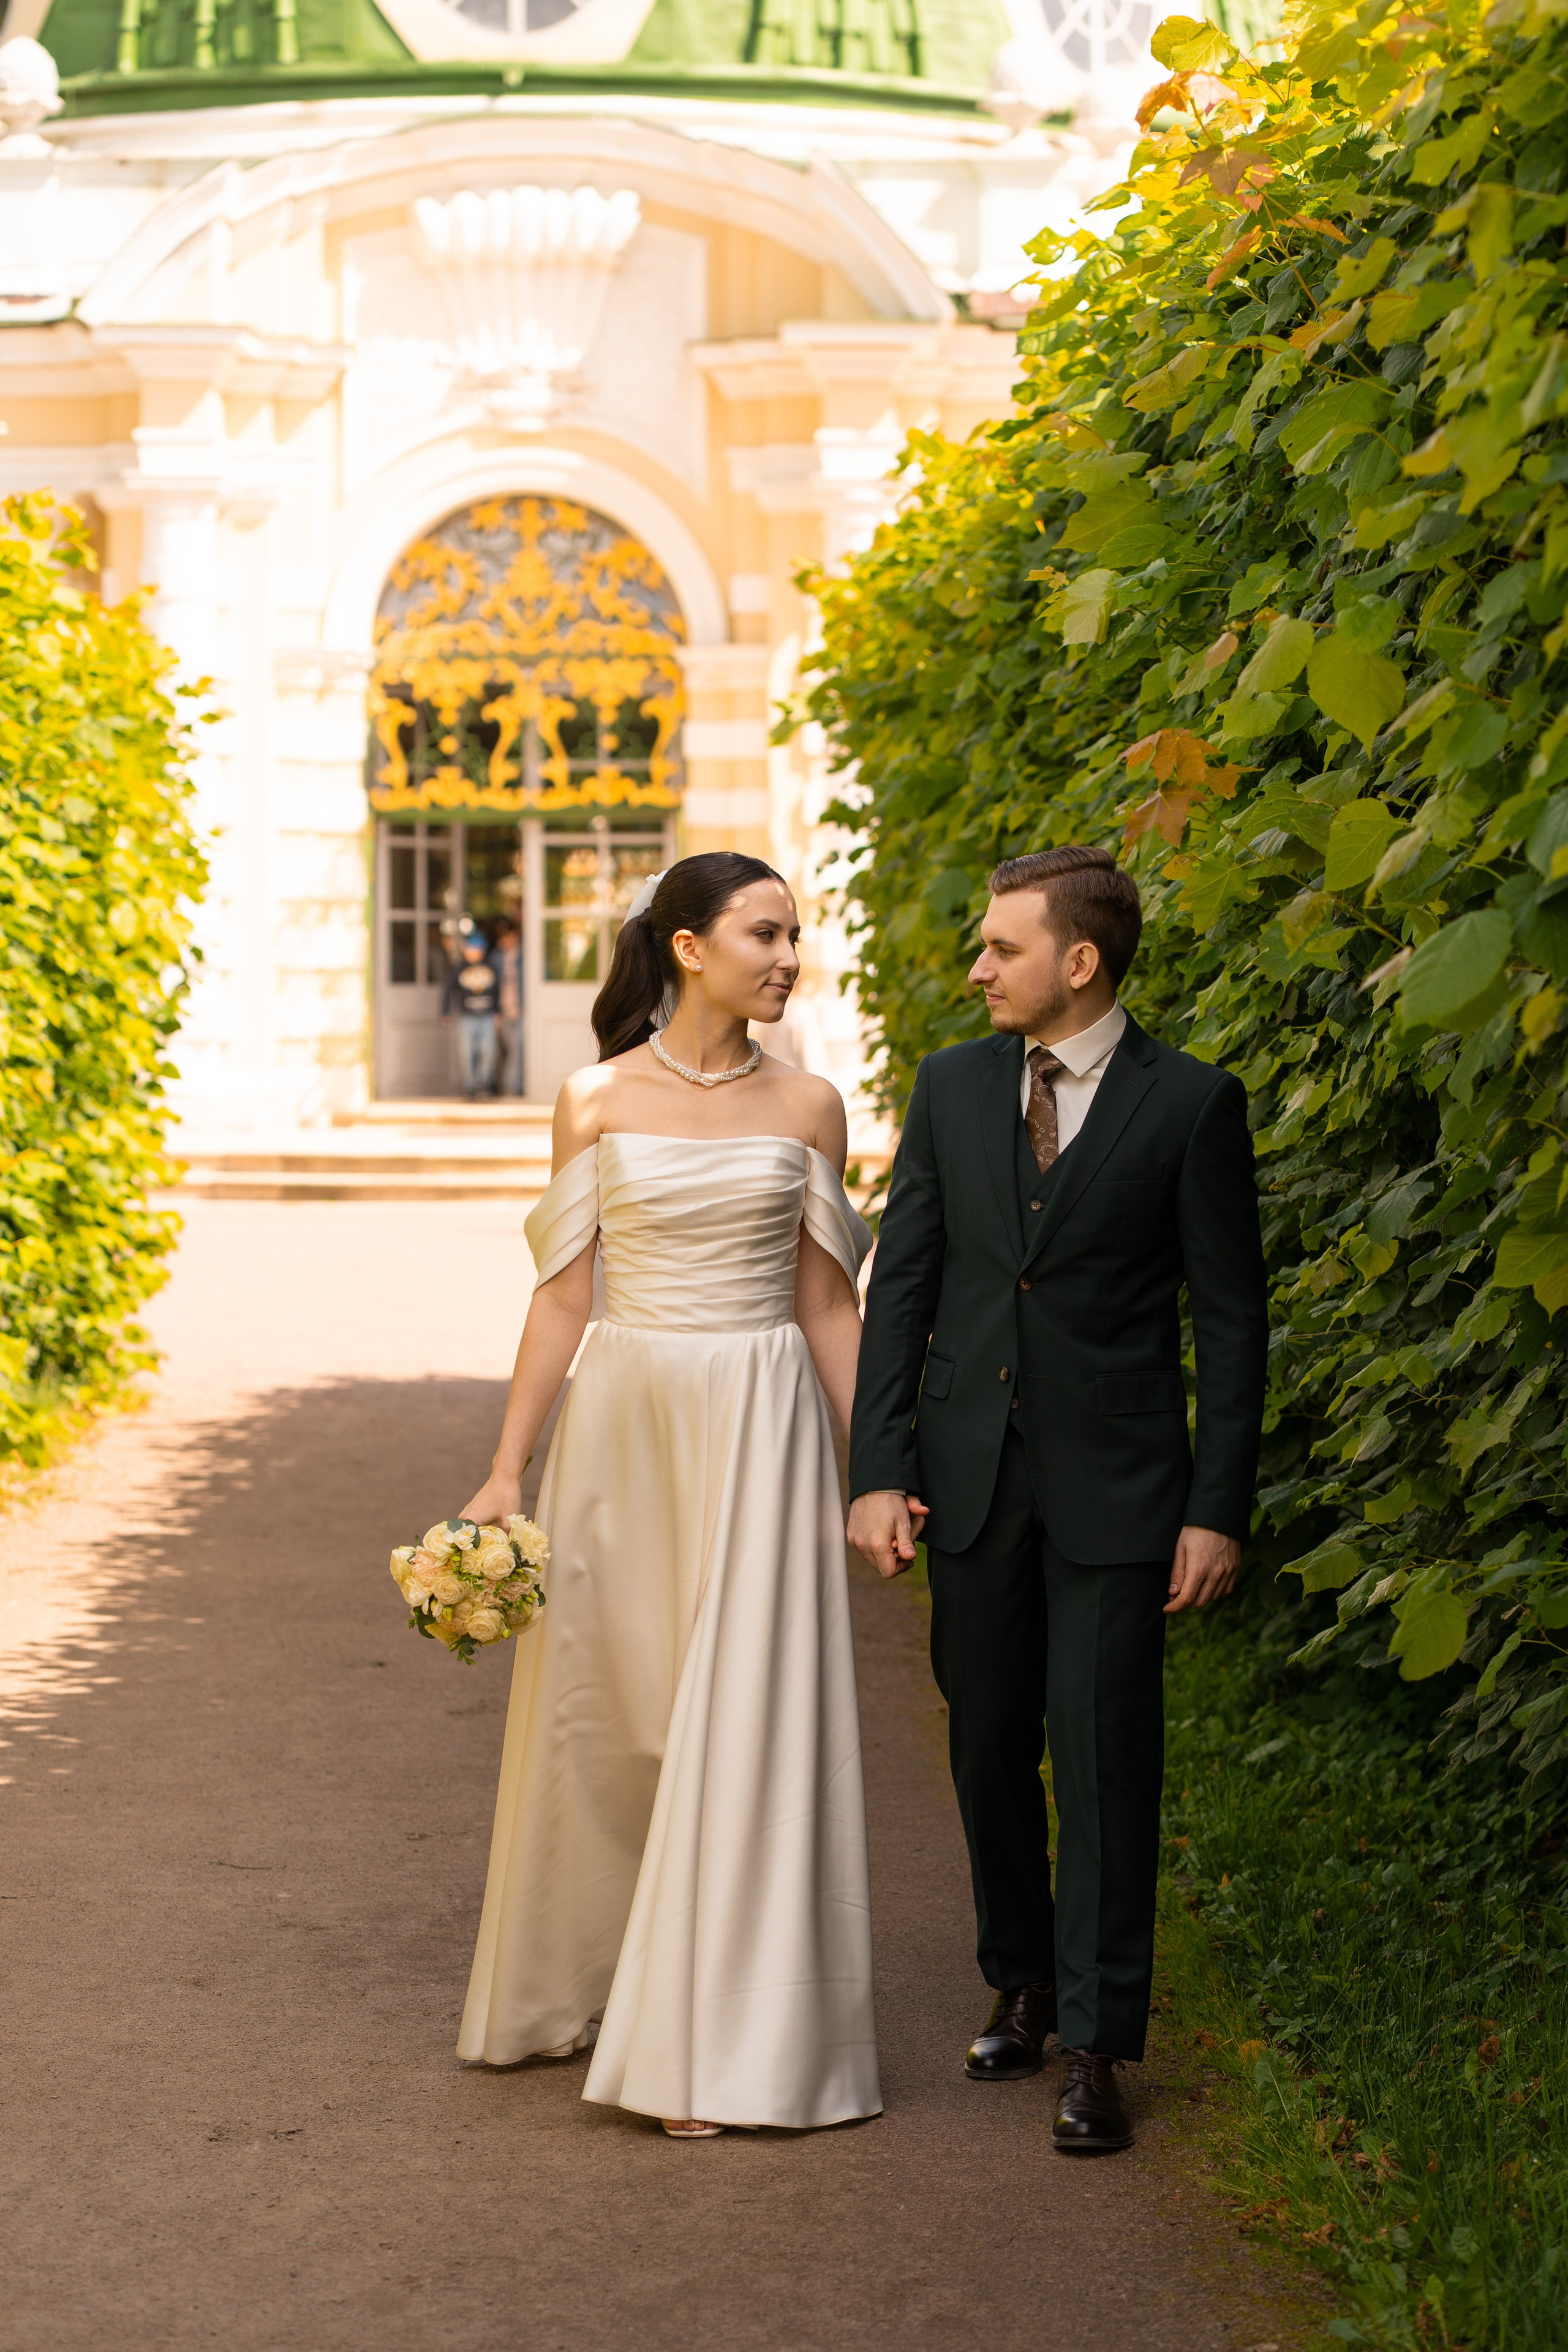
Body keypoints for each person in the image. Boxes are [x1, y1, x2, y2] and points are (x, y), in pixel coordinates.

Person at [846, 845, 1267, 2154]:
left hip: (1121, 1488)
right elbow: (902, 1286)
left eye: (999, 949)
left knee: (1102, 1756)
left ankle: (1095, 2039)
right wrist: (877, 1469)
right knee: (984, 1741)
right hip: (968, 1479)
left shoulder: (1190, 1104)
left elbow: (1229, 1320)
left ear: (1075, 961)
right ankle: (1016, 1979)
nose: (975, 968)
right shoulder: (950, 1087)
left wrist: (1215, 1506)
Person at [455, 851, 881, 2138]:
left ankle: (703, 2039)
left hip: (760, 1422)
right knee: (619, 1716)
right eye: (763, 934)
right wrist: (503, 1466)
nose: (785, 956)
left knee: (739, 1716)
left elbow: (824, 1303)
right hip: (624, 1425)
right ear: (688, 947)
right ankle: (598, 1984)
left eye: (793, 936)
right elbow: (563, 1296)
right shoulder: (591, 1098)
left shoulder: (809, 1105)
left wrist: (880, 1471)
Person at [441, 921, 500, 1099]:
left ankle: (484, 1084)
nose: (475, 952)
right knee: (466, 1052)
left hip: (487, 1016)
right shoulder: (459, 968)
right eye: (472, 949)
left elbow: (497, 990)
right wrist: (446, 1012)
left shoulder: (491, 967)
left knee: (488, 1051)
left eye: (478, 949)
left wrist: (498, 1011)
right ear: (465, 949)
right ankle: (469, 1086)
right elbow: (447, 991)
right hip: (466, 1016)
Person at [492, 914, 523, 1096]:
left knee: (516, 1050)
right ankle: (499, 1085)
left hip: (520, 1010)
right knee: (501, 1051)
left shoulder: (525, 957)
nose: (505, 941)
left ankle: (511, 1087)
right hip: (502, 1011)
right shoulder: (496, 958)